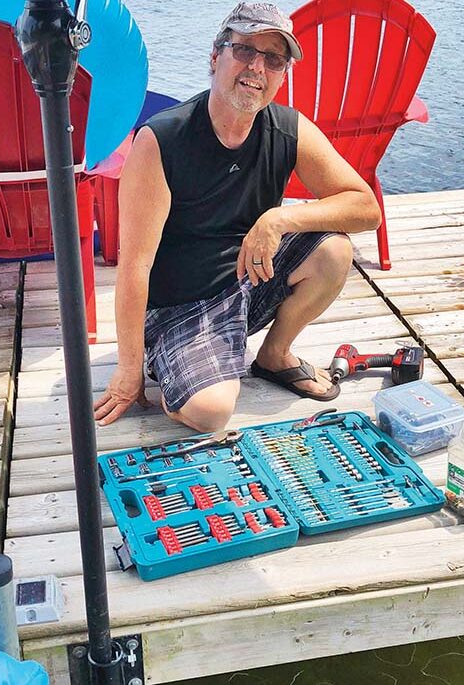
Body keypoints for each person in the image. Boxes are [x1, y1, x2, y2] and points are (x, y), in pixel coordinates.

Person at [94, 2, 380, 433]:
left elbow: (366, 208)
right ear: (216, 56)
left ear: (283, 73)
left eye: (274, 59)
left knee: (335, 249)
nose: (257, 68)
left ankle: (274, 355)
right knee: (211, 413)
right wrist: (129, 372)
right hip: (181, 306)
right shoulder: (162, 140)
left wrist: (276, 221)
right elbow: (135, 267)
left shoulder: (288, 129)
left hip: (249, 278)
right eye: (245, 50)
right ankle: (172, 363)